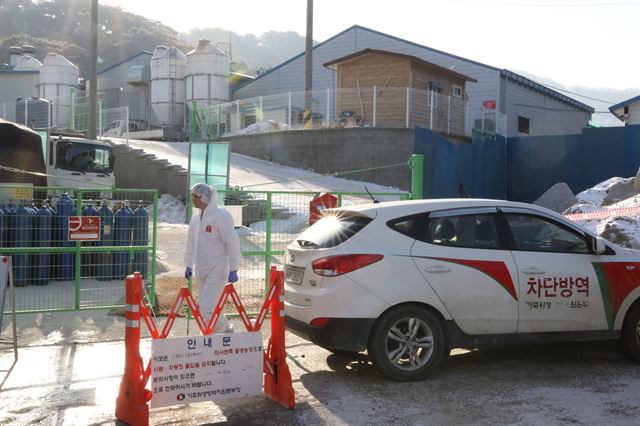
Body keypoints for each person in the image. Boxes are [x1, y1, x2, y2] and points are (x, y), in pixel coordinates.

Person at [184, 183, 241, 333]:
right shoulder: (196, 219)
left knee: (208, 308)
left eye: (194, 197)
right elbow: (191, 243)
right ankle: (224, 333)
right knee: (206, 307)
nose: (192, 200)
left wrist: (234, 268)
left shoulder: (221, 216)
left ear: (202, 198)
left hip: (217, 269)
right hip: (201, 269)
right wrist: (188, 264)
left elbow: (232, 242)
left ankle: (222, 334)